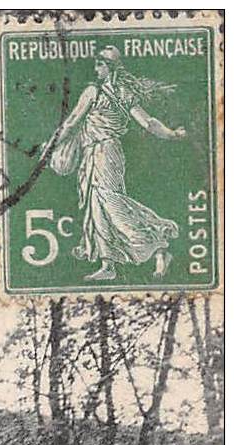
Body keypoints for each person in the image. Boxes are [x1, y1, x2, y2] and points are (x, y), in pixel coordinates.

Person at [45, 46, 187, 281]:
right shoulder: (124, 94)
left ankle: (157, 241)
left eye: (99, 64)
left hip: (103, 152)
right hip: (100, 152)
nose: (95, 68)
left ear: (108, 67)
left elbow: (71, 123)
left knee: (110, 203)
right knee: (97, 206)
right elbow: (149, 123)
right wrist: (171, 134)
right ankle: (109, 264)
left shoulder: (94, 91)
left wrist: (50, 145)